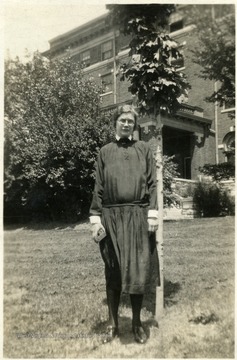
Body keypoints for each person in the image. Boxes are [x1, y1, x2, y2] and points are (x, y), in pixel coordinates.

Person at [89, 104, 158, 344]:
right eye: (123, 120)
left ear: (134, 124)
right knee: (113, 269)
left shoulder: (144, 149)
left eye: (130, 121)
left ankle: (137, 323)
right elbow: (98, 187)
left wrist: (152, 214)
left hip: (139, 215)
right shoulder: (105, 151)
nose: (127, 124)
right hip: (110, 216)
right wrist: (95, 218)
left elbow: (152, 184)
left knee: (138, 269)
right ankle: (113, 323)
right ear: (115, 122)